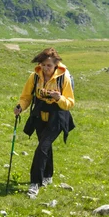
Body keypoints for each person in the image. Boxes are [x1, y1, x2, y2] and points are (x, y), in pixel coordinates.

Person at [13, 47, 75, 197]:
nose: (46, 68)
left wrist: (58, 98)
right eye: (43, 64)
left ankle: (35, 183)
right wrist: (20, 107)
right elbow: (26, 96)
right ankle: (48, 175)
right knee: (45, 146)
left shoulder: (63, 78)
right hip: (39, 115)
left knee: (41, 148)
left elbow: (70, 102)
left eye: (49, 65)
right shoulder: (34, 77)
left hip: (58, 116)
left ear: (56, 65)